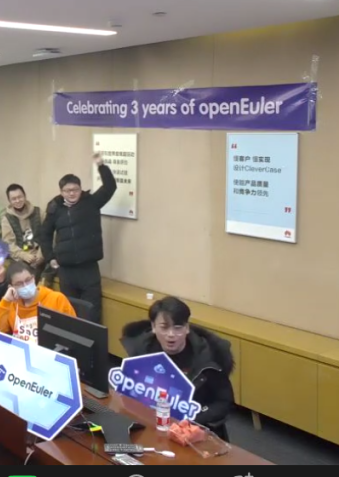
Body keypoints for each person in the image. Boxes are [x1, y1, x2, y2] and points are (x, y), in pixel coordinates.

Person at [121, 296, 235, 440]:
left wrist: (193, 420)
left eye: (178, 328)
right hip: (153, 425)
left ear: (187, 328)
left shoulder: (208, 358)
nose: (171, 335)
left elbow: (224, 402)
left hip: (194, 431)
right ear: (153, 327)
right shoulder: (142, 352)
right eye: (164, 327)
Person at [37, 154, 116, 323]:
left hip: (89, 268)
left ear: (81, 189)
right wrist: (50, 257)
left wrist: (101, 166)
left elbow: (110, 187)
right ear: (61, 192)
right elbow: (45, 234)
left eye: (75, 189)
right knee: (69, 312)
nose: (72, 193)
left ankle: (91, 341)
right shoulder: (54, 208)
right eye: (67, 190)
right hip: (66, 270)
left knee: (92, 313)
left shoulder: (91, 202)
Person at [0, 261, 75, 344]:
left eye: (28, 280)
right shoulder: (11, 304)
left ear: (33, 278)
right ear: (11, 287)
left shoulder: (56, 299)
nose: (25, 285)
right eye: (19, 284)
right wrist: (5, 301)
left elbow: (72, 334)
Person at [1, 184, 46, 274]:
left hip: (41, 253)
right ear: (9, 201)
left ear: (25, 196)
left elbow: (48, 234)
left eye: (20, 197)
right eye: (14, 199)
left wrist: (41, 253)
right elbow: (8, 244)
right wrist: (23, 255)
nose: (17, 201)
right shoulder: (7, 219)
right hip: (21, 258)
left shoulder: (38, 212)